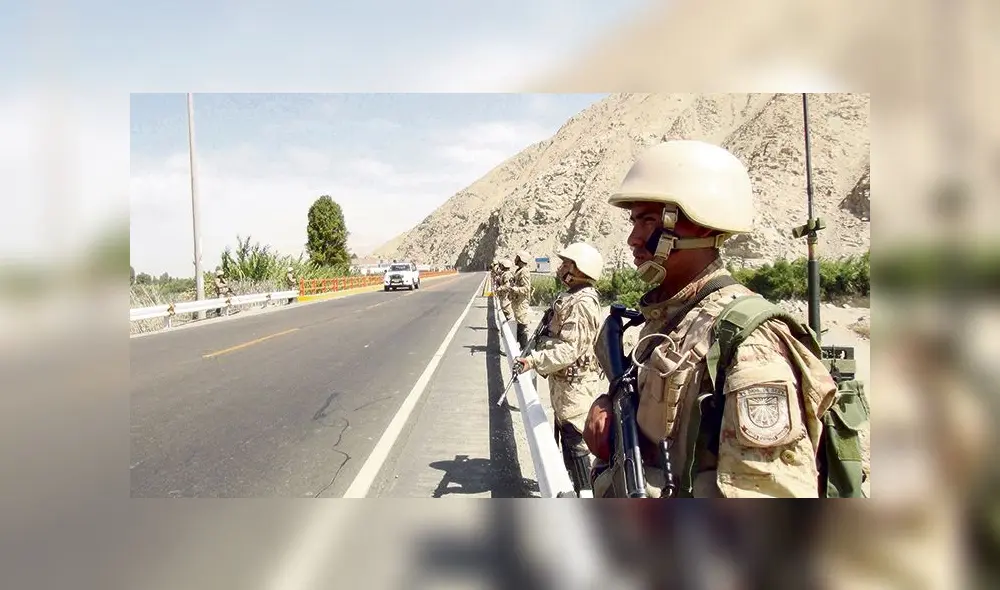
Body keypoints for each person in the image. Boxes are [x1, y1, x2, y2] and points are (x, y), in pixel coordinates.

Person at [584, 139, 839, 498]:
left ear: (702, 226)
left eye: (649, 221)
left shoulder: (751, 344)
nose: (633, 239)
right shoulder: (671, 315)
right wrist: (609, 402)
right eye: (634, 222)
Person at [515, 243, 605, 494]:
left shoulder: (582, 303)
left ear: (580, 269)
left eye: (567, 264)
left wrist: (533, 361)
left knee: (575, 441)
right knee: (567, 436)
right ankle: (574, 489)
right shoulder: (571, 297)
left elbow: (570, 349)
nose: (561, 268)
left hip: (575, 385)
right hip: (564, 382)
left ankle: (585, 494)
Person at [509, 251, 533, 350]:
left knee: (522, 326)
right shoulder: (519, 270)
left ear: (521, 259)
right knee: (519, 325)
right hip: (517, 302)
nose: (515, 259)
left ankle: (524, 349)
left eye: (517, 258)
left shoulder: (524, 271)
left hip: (521, 303)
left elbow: (526, 288)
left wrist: (516, 289)